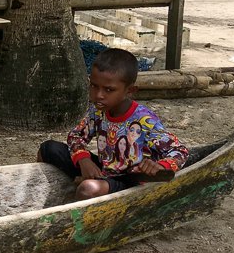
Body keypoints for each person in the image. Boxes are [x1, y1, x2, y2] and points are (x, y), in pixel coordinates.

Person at [37, 48, 189, 201]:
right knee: (48, 148)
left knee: (88, 189)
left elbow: (179, 151)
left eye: (109, 90)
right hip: (105, 171)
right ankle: (51, 194)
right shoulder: (97, 111)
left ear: (129, 91)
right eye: (94, 86)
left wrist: (161, 166)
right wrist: (83, 159)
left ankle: (77, 212)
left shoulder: (144, 121)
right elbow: (76, 136)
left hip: (131, 181)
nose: (98, 95)